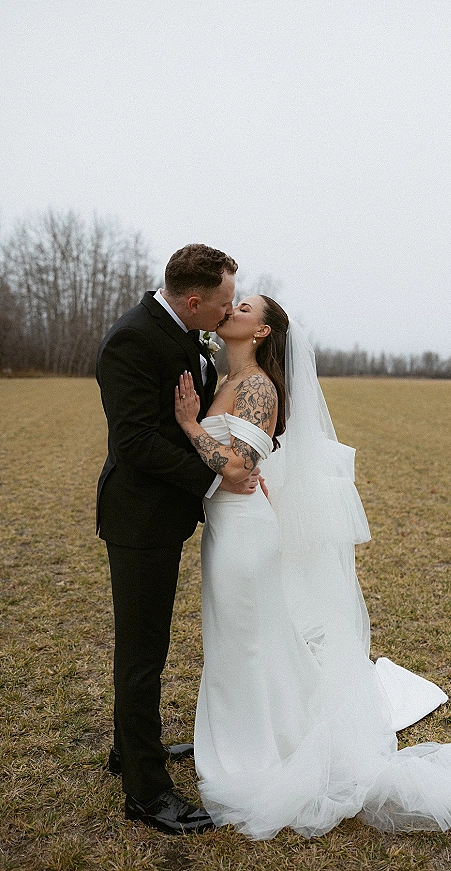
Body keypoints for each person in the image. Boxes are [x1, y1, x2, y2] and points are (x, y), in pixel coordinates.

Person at [174, 294, 451, 840]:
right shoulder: (223, 380)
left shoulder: (258, 387)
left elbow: (241, 465)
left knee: (249, 642)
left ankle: (261, 753)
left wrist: (189, 424)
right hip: (225, 531)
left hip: (245, 531)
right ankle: (243, 737)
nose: (232, 308)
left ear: (261, 333)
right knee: (237, 640)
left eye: (245, 306)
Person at [96, 244, 262, 835]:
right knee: (142, 652)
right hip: (138, 519)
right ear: (193, 300)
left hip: (167, 515)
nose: (225, 314)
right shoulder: (131, 340)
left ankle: (129, 749)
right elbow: (135, 441)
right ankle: (146, 795)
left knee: (151, 643)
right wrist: (217, 476)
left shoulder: (188, 332)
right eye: (221, 304)